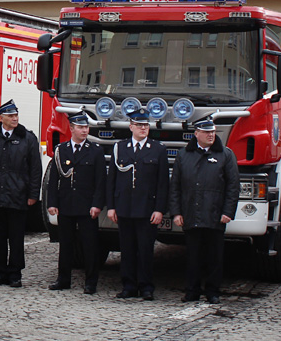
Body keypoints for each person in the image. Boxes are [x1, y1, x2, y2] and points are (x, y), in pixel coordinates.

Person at [168, 116, 239, 305]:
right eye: (207, 132)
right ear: (196, 134)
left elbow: (233, 186)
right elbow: (175, 186)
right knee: (192, 256)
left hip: (215, 215)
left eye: (213, 132)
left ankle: (213, 291)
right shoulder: (184, 155)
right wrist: (176, 212)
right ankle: (192, 291)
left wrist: (228, 212)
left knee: (214, 257)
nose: (211, 135)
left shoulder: (226, 155)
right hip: (191, 213)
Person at [0, 99, 42, 288]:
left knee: (16, 237)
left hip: (18, 195)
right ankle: (0, 272)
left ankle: (15, 273)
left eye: (16, 115)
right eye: (11, 115)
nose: (15, 118)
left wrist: (33, 194)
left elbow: (35, 169)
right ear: (1, 117)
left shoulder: (27, 138)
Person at [106, 109, 169, 301]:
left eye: (146, 125)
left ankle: (146, 286)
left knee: (145, 250)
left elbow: (162, 183)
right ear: (131, 126)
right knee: (127, 249)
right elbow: (112, 180)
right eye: (139, 125)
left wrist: (159, 209)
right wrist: (111, 206)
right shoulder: (120, 148)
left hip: (147, 209)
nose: (143, 128)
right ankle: (129, 285)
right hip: (124, 207)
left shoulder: (158, 149)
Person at [47, 113, 107, 295]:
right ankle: (63, 279)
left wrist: (97, 204)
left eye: (86, 128)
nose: (84, 130)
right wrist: (52, 202)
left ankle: (91, 282)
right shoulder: (61, 150)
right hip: (66, 204)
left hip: (87, 206)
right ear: (71, 129)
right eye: (80, 127)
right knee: (66, 245)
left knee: (90, 245)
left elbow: (100, 181)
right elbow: (53, 179)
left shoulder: (95, 151)